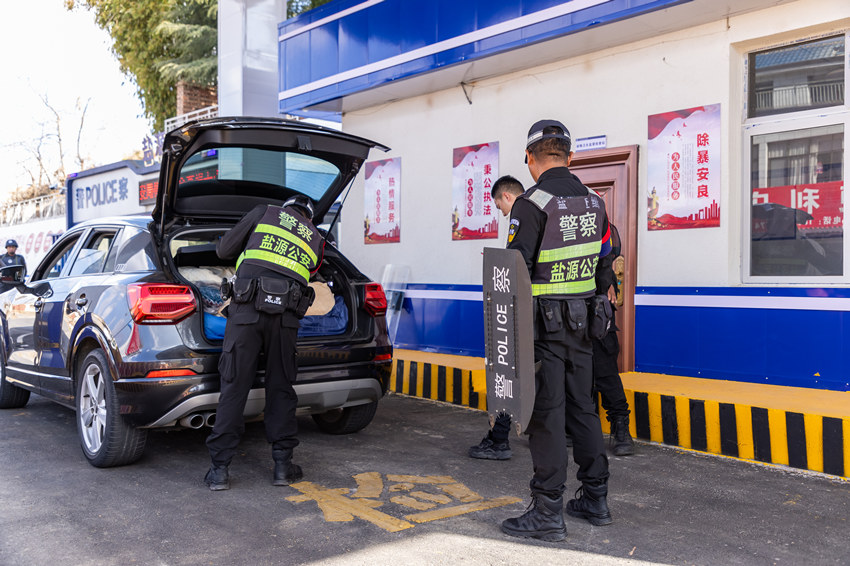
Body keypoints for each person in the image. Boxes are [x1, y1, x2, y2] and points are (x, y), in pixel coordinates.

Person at [500, 119, 613, 542]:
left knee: (547, 415)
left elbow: (516, 272)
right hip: (583, 323)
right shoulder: (595, 202)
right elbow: (604, 268)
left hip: (542, 327)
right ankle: (595, 498)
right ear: (571, 156)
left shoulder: (531, 203)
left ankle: (547, 510)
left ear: (530, 158)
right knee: (583, 407)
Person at [204, 195, 321, 491]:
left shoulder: (264, 213)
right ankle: (282, 467)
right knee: (281, 388)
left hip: (246, 314)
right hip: (285, 320)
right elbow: (311, 273)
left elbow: (223, 250)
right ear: (309, 217)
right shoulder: (316, 238)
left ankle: (219, 470)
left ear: (286, 208)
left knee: (235, 387)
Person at [468, 175, 526, 461]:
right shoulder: (543, 211)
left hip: (523, 312)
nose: (500, 212)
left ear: (506, 196)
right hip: (548, 314)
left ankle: (499, 439)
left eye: (498, 205)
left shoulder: (522, 213)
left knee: (505, 373)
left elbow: (517, 262)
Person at [591, 224, 635, 456]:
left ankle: (620, 429)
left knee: (606, 373)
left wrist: (607, 281)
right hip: (566, 309)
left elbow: (610, 256)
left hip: (597, 312)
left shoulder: (600, 222)